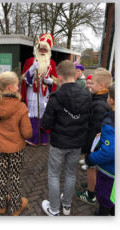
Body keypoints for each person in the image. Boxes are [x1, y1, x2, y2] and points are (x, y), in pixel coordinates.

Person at [40, 60, 92, 216]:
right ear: (75, 75)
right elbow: (87, 120)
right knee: (70, 173)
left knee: (54, 174)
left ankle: (54, 209)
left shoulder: (56, 96)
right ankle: (67, 206)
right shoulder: (87, 95)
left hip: (59, 143)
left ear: (60, 77)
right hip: (77, 142)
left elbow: (46, 124)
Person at [0, 71, 32, 215]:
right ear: (10, 87)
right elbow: (27, 133)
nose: (18, 88)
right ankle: (16, 207)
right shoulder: (20, 106)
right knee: (15, 176)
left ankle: (2, 205)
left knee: (2, 176)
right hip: (16, 149)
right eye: (17, 85)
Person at [76, 68, 112, 205]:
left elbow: (94, 132)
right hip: (96, 144)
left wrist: (87, 149)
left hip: (93, 146)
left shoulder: (100, 105)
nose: (90, 85)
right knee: (94, 167)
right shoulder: (101, 99)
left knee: (91, 167)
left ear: (101, 85)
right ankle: (95, 185)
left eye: (93, 83)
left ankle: (91, 194)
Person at [21, 33, 58, 146]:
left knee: (44, 113)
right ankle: (33, 138)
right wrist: (31, 70)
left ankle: (44, 138)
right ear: (37, 49)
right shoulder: (30, 61)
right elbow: (24, 80)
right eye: (40, 48)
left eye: (45, 49)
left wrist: (50, 81)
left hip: (45, 93)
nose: (42, 51)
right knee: (33, 113)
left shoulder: (52, 63)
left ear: (49, 51)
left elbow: (56, 81)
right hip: (32, 92)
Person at [85, 83, 115, 216]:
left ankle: (102, 214)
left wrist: (91, 158)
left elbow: (109, 151)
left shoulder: (110, 122)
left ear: (111, 100)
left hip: (109, 171)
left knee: (104, 196)